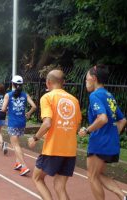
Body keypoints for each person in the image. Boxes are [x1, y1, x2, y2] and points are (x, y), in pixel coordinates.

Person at [78, 65, 127, 200]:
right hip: (111, 143)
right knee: (99, 175)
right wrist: (112, 135)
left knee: (92, 176)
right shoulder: (109, 95)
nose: (85, 82)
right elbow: (123, 120)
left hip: (99, 142)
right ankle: (124, 197)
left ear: (93, 78)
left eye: (86, 79)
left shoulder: (95, 95)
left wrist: (87, 130)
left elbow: (102, 118)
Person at [28, 69, 82, 200]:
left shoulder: (47, 97)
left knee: (37, 178)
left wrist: (35, 138)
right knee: (60, 187)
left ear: (48, 82)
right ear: (63, 82)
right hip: (70, 150)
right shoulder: (74, 100)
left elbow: (47, 123)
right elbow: (77, 126)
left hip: (53, 149)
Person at [2, 75, 37, 176]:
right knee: (17, 143)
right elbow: (34, 106)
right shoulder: (25, 95)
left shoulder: (8, 95)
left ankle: (24, 166)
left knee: (15, 145)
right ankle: (18, 163)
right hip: (22, 122)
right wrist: (29, 113)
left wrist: (8, 110)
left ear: (12, 84)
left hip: (13, 122)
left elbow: (4, 109)